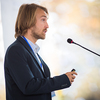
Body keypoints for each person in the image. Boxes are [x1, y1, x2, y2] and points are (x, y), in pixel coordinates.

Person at [4, 3, 77, 100]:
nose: (47, 25)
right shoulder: (16, 50)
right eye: (43, 20)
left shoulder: (32, 51)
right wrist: (62, 80)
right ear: (28, 21)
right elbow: (28, 86)